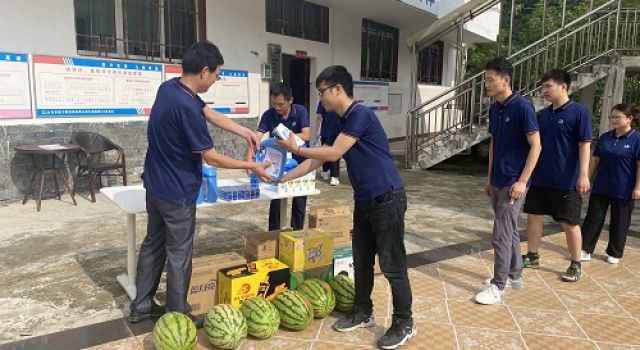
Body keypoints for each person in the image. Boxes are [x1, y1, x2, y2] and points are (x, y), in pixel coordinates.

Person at [127, 41, 270, 326]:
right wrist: (250, 165)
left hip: (154, 186)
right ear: (205, 71)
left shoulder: (170, 88)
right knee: (179, 252)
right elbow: (212, 157)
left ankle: (141, 306)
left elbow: (208, 112)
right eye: (216, 75)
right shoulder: (186, 106)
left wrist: (245, 132)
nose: (216, 80)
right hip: (177, 193)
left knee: (153, 244)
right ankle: (178, 313)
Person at [277, 65, 414, 349]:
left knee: (392, 265)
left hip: (387, 197)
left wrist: (297, 148)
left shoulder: (360, 115)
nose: (321, 98)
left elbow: (335, 153)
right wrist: (283, 177)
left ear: (338, 89)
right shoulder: (334, 119)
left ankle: (405, 321)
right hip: (364, 199)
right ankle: (362, 311)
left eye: (323, 91)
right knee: (361, 262)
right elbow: (319, 159)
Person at [475, 58, 541, 305]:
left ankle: (498, 286)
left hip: (515, 181)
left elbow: (536, 146)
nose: (486, 84)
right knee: (509, 229)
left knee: (500, 232)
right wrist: (489, 177)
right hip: (498, 180)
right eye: (485, 80)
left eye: (491, 80)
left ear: (506, 79)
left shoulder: (523, 107)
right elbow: (495, 144)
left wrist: (523, 181)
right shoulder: (495, 108)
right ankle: (514, 275)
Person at [522, 69, 592, 282]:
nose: (543, 91)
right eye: (542, 87)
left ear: (563, 87)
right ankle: (532, 256)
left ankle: (575, 263)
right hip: (541, 177)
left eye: (547, 87)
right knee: (534, 216)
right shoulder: (544, 114)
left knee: (569, 223)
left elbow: (584, 145)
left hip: (566, 180)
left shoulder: (579, 112)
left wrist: (583, 175)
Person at [581, 104, 640, 264]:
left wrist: (638, 187)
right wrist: (586, 177)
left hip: (624, 189)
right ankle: (585, 249)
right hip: (601, 186)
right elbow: (595, 160)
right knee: (593, 219)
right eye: (611, 117)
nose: (613, 120)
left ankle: (614, 252)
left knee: (620, 222)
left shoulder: (637, 139)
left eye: (617, 117)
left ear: (629, 119)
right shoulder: (605, 137)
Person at [251, 82, 310, 230]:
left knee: (300, 195)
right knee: (275, 195)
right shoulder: (269, 114)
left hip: (299, 158)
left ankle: (296, 231)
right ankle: (274, 232)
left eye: (280, 104)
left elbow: (306, 135)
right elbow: (256, 137)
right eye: (273, 104)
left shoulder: (300, 111)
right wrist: (250, 161)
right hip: (278, 160)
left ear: (290, 100)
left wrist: (287, 138)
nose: (277, 108)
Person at [315, 102, 342, 186]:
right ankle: (334, 176)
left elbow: (319, 117)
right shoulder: (338, 101)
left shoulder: (322, 102)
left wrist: (317, 131)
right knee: (335, 153)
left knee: (325, 152)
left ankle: (326, 172)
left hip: (326, 132)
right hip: (337, 131)